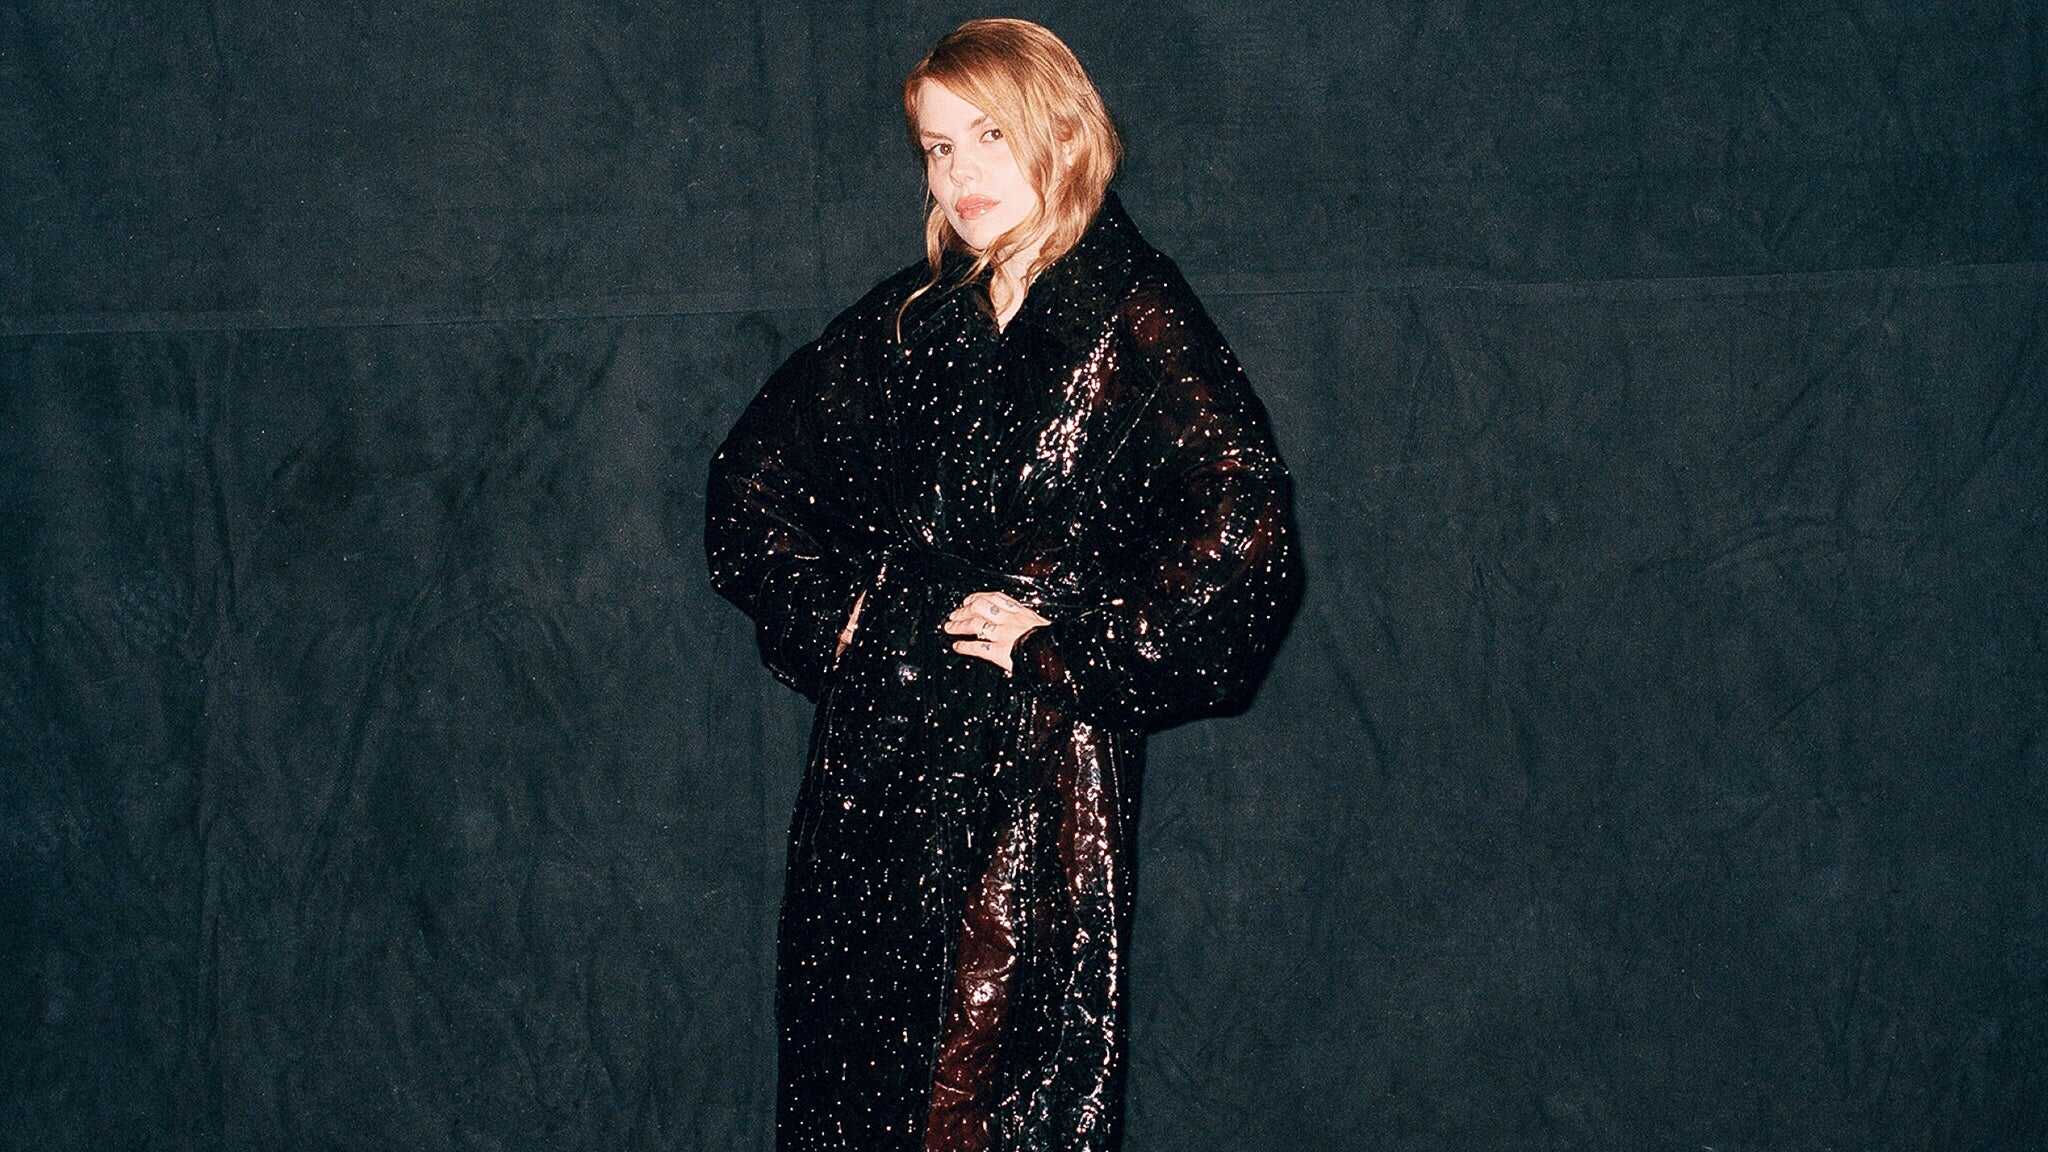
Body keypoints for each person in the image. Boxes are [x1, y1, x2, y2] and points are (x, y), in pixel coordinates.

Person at [705, 17, 1299, 1151]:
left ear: (1062, 133)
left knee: (983, 1084)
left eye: (988, 135)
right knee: (854, 1080)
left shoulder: (1133, 310)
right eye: (937, 147)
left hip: (1027, 773)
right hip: (874, 765)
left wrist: (1067, 649)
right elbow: (753, 475)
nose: (958, 173)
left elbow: (1244, 527)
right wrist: (839, 621)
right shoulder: (920, 314)